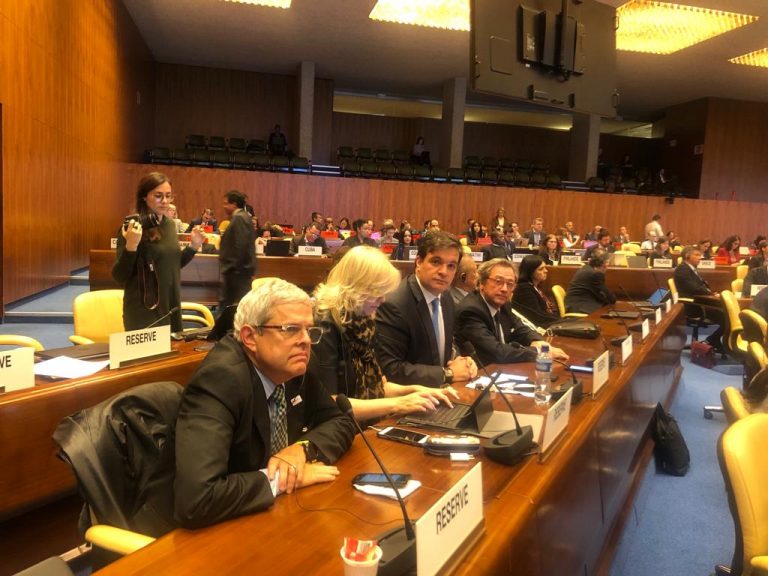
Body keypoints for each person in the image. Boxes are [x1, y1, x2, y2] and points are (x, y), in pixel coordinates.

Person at [174, 278, 355, 529]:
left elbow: (341, 421)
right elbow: (197, 498)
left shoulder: (295, 365)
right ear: (250, 337)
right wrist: (282, 478)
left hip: (276, 516)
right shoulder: (220, 380)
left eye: (309, 330)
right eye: (291, 329)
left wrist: (301, 449)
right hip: (218, 531)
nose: (305, 340)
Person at [312, 246, 458, 422]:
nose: (382, 299)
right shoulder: (325, 324)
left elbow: (379, 387)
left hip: (364, 424)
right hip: (341, 428)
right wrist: (398, 404)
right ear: (355, 286)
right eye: (377, 291)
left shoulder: (364, 321)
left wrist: (418, 391)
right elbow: (329, 403)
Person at [375, 231, 478, 387]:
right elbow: (391, 369)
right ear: (418, 262)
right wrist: (447, 374)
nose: (444, 272)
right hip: (411, 397)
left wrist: (461, 361)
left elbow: (444, 346)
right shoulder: (395, 304)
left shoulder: (446, 297)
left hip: (442, 393)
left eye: (451, 266)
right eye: (436, 262)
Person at [113, 172, 204, 332]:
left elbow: (172, 265)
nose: (165, 201)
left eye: (168, 196)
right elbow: (119, 276)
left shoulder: (169, 225)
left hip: (170, 305)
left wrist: (193, 247)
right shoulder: (132, 228)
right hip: (144, 310)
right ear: (144, 197)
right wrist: (131, 246)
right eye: (158, 196)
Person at [455, 259, 568, 366]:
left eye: (510, 284)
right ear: (481, 284)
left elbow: (521, 329)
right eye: (498, 281)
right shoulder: (471, 311)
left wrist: (538, 341)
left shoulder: (504, 303)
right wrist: (539, 351)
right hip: (480, 372)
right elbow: (497, 352)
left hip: (502, 368)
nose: (504, 289)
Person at [673, 245, 724, 350]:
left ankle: (713, 340)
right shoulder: (682, 269)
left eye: (700, 255)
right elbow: (694, 288)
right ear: (687, 256)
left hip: (699, 302)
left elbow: (700, 287)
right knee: (726, 317)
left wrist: (711, 293)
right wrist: (711, 295)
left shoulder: (690, 269)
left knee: (727, 314)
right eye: (696, 255)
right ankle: (712, 340)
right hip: (693, 306)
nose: (700, 258)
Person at [219, 190, 257, 310]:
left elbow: (241, 246)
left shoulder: (239, 218)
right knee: (232, 306)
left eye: (226, 203)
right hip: (239, 272)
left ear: (234, 204)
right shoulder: (243, 217)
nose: (224, 206)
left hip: (237, 274)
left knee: (234, 308)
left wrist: (232, 268)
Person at [511, 255, 560, 328]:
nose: (546, 271)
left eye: (545, 268)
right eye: (541, 269)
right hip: (538, 327)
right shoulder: (524, 289)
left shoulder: (535, 286)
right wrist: (561, 321)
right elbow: (537, 317)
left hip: (547, 322)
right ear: (530, 272)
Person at [565, 248, 616, 314]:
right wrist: (613, 299)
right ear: (605, 263)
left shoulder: (586, 268)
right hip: (579, 307)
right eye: (608, 262)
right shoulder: (595, 274)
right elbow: (608, 298)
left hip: (574, 304)